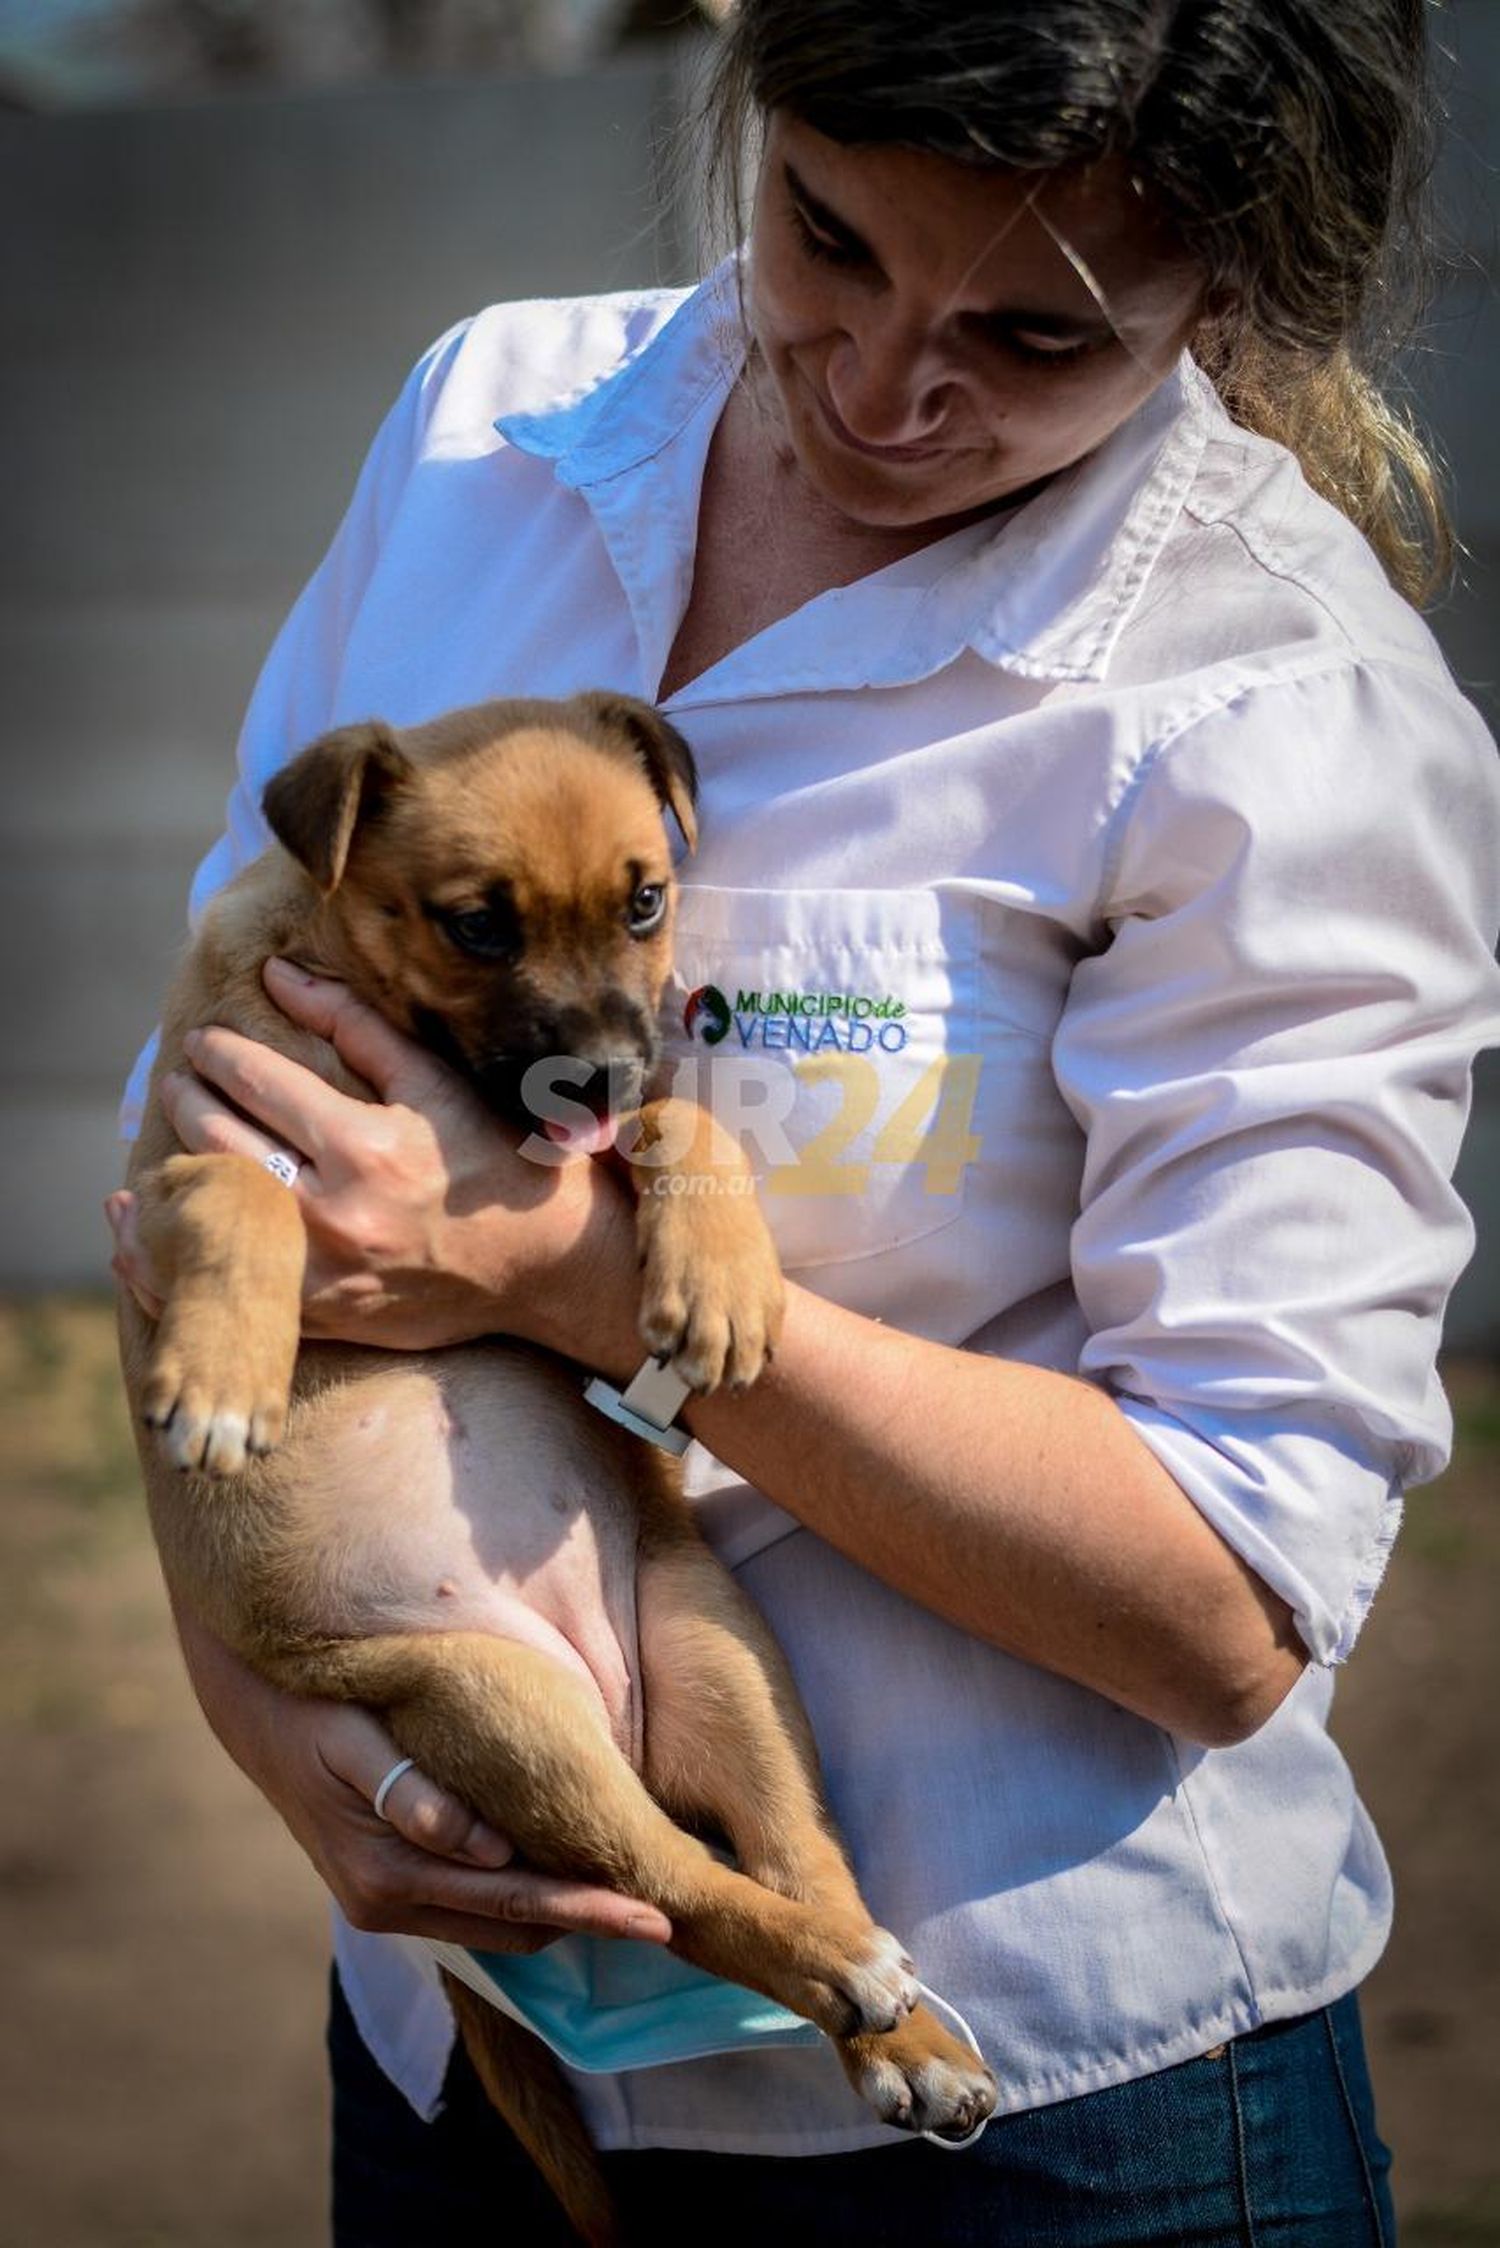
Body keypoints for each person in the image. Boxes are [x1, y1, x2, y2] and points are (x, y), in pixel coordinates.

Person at [110, 1, 1500, 2239]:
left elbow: (1230, 1598)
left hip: (1055, 2118)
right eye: (824, 237)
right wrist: (279, 1713)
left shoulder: (1281, 706)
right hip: (471, 2033)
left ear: (1226, 296)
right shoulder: (495, 426)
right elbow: (195, 1081)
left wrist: (549, 1267)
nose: (875, 386)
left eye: (1032, 335)